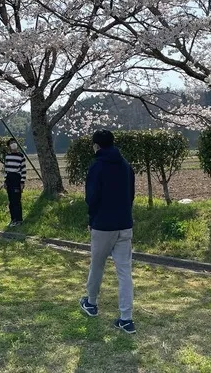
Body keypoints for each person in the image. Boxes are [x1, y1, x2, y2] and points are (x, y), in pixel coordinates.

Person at [79, 130, 137, 334]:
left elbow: (91, 198)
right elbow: (131, 195)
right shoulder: (125, 166)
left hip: (103, 225)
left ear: (96, 145)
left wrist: (92, 219)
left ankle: (92, 303)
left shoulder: (97, 166)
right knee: (124, 272)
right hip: (124, 224)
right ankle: (126, 318)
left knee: (97, 266)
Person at [3, 138, 26, 227]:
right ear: (9, 146)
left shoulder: (21, 156)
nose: (13, 144)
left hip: (17, 178)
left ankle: (19, 220)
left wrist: (22, 182)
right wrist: (5, 181)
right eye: (11, 143)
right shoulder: (7, 156)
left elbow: (23, 170)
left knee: (17, 200)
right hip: (9, 179)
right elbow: (6, 170)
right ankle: (13, 219)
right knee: (11, 201)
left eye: (14, 142)